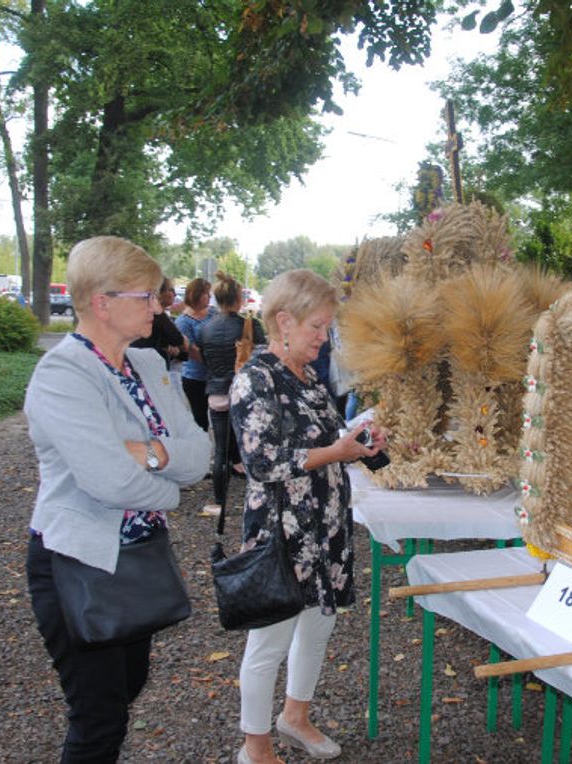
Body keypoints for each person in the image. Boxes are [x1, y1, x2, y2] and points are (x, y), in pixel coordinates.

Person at [23, 236, 211, 762]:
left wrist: (146, 452)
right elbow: (107, 480)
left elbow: (200, 454)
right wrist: (169, 488)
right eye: (146, 296)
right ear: (102, 303)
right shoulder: (63, 375)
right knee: (98, 717)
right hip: (78, 563)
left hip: (137, 558)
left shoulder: (148, 367)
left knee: (125, 691)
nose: (159, 306)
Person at [229, 269, 386, 764]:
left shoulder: (310, 376)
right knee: (269, 643)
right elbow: (261, 461)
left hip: (325, 527)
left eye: (327, 328)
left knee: (317, 628)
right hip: (282, 533)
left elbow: (334, 439)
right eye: (317, 327)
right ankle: (255, 746)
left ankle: (294, 717)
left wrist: (367, 446)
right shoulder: (254, 380)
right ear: (284, 321)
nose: (325, 338)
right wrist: (333, 450)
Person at [198, 270, 267, 519]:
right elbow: (262, 356)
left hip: (215, 393)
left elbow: (203, 357)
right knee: (250, 447)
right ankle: (255, 498)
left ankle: (219, 501)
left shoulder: (205, 328)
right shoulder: (249, 325)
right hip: (243, 394)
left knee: (220, 451)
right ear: (238, 298)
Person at [175, 277, 217, 431]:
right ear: (196, 295)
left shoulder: (213, 313)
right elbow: (190, 351)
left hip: (215, 376)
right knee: (200, 420)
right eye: (206, 294)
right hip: (195, 377)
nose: (209, 297)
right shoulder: (183, 321)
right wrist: (213, 361)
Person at [130, 277, 187, 366]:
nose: (175, 294)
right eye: (171, 290)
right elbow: (179, 340)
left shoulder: (161, 317)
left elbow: (183, 353)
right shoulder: (154, 317)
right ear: (159, 293)